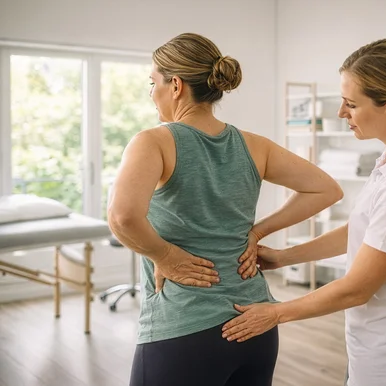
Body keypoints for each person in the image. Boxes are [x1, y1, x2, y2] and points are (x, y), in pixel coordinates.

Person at [107, 32, 343, 386]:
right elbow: (326, 189)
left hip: (183, 329)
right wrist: (258, 231)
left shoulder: (153, 142)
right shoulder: (254, 145)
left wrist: (166, 256)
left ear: (176, 86)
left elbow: (122, 217)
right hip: (256, 323)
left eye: (152, 83)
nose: (151, 94)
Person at [223, 37, 386, 386]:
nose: (341, 113)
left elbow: (356, 289)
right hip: (380, 344)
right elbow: (365, 231)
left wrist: (275, 314)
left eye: (350, 104)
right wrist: (285, 257)